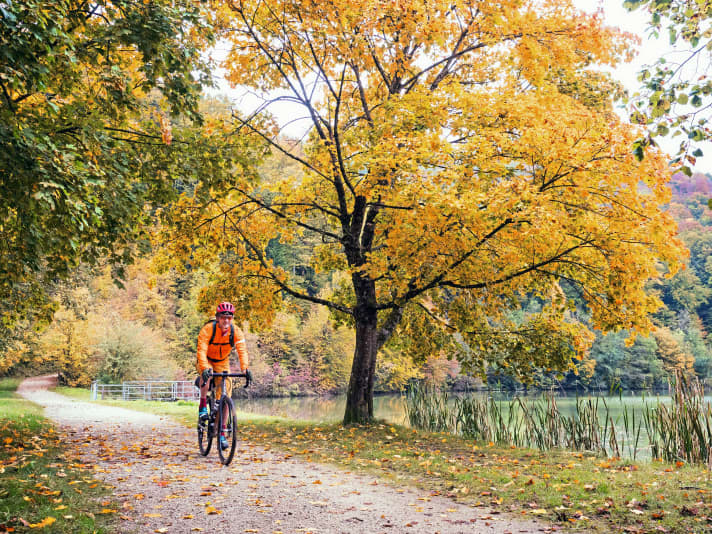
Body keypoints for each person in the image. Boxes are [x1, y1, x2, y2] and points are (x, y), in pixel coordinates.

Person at [196, 301, 249, 450]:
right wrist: (205, 367)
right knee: (208, 375)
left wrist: (245, 368)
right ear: (217, 318)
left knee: (226, 398)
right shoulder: (208, 329)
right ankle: (202, 406)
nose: (226, 321)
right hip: (206, 359)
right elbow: (201, 350)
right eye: (223, 317)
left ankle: (221, 433)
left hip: (222, 362)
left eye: (229, 318)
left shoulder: (236, 331)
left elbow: (242, 350)